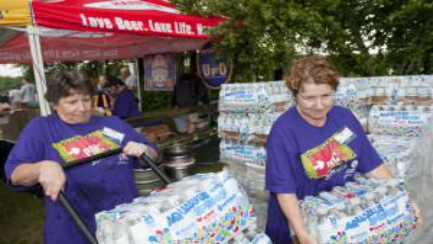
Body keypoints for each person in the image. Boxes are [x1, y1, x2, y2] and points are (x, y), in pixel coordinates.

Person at [264, 55, 421, 244]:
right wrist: (302, 233)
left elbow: (373, 165)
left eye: (326, 96)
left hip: (338, 219)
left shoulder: (344, 118)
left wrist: (403, 201)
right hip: (297, 223)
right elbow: (284, 190)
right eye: (309, 98)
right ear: (295, 95)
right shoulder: (284, 131)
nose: (319, 105)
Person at [4, 70, 159, 244]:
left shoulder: (112, 123)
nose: (82, 108)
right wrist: (42, 167)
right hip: (73, 229)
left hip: (124, 225)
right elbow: (15, 174)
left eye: (86, 99)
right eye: (72, 102)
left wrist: (144, 149)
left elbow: (153, 154)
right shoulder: (41, 128)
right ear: (55, 104)